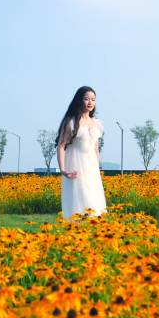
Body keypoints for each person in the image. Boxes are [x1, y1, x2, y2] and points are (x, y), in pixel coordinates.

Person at [55, 86, 107, 221]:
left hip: (92, 168)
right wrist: (63, 170)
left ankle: (93, 230)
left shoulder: (96, 123)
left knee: (94, 199)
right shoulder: (71, 122)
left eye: (93, 100)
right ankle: (77, 230)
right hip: (76, 166)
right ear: (79, 100)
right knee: (80, 199)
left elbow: (95, 148)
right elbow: (61, 146)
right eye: (86, 99)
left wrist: (97, 167)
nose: (90, 102)